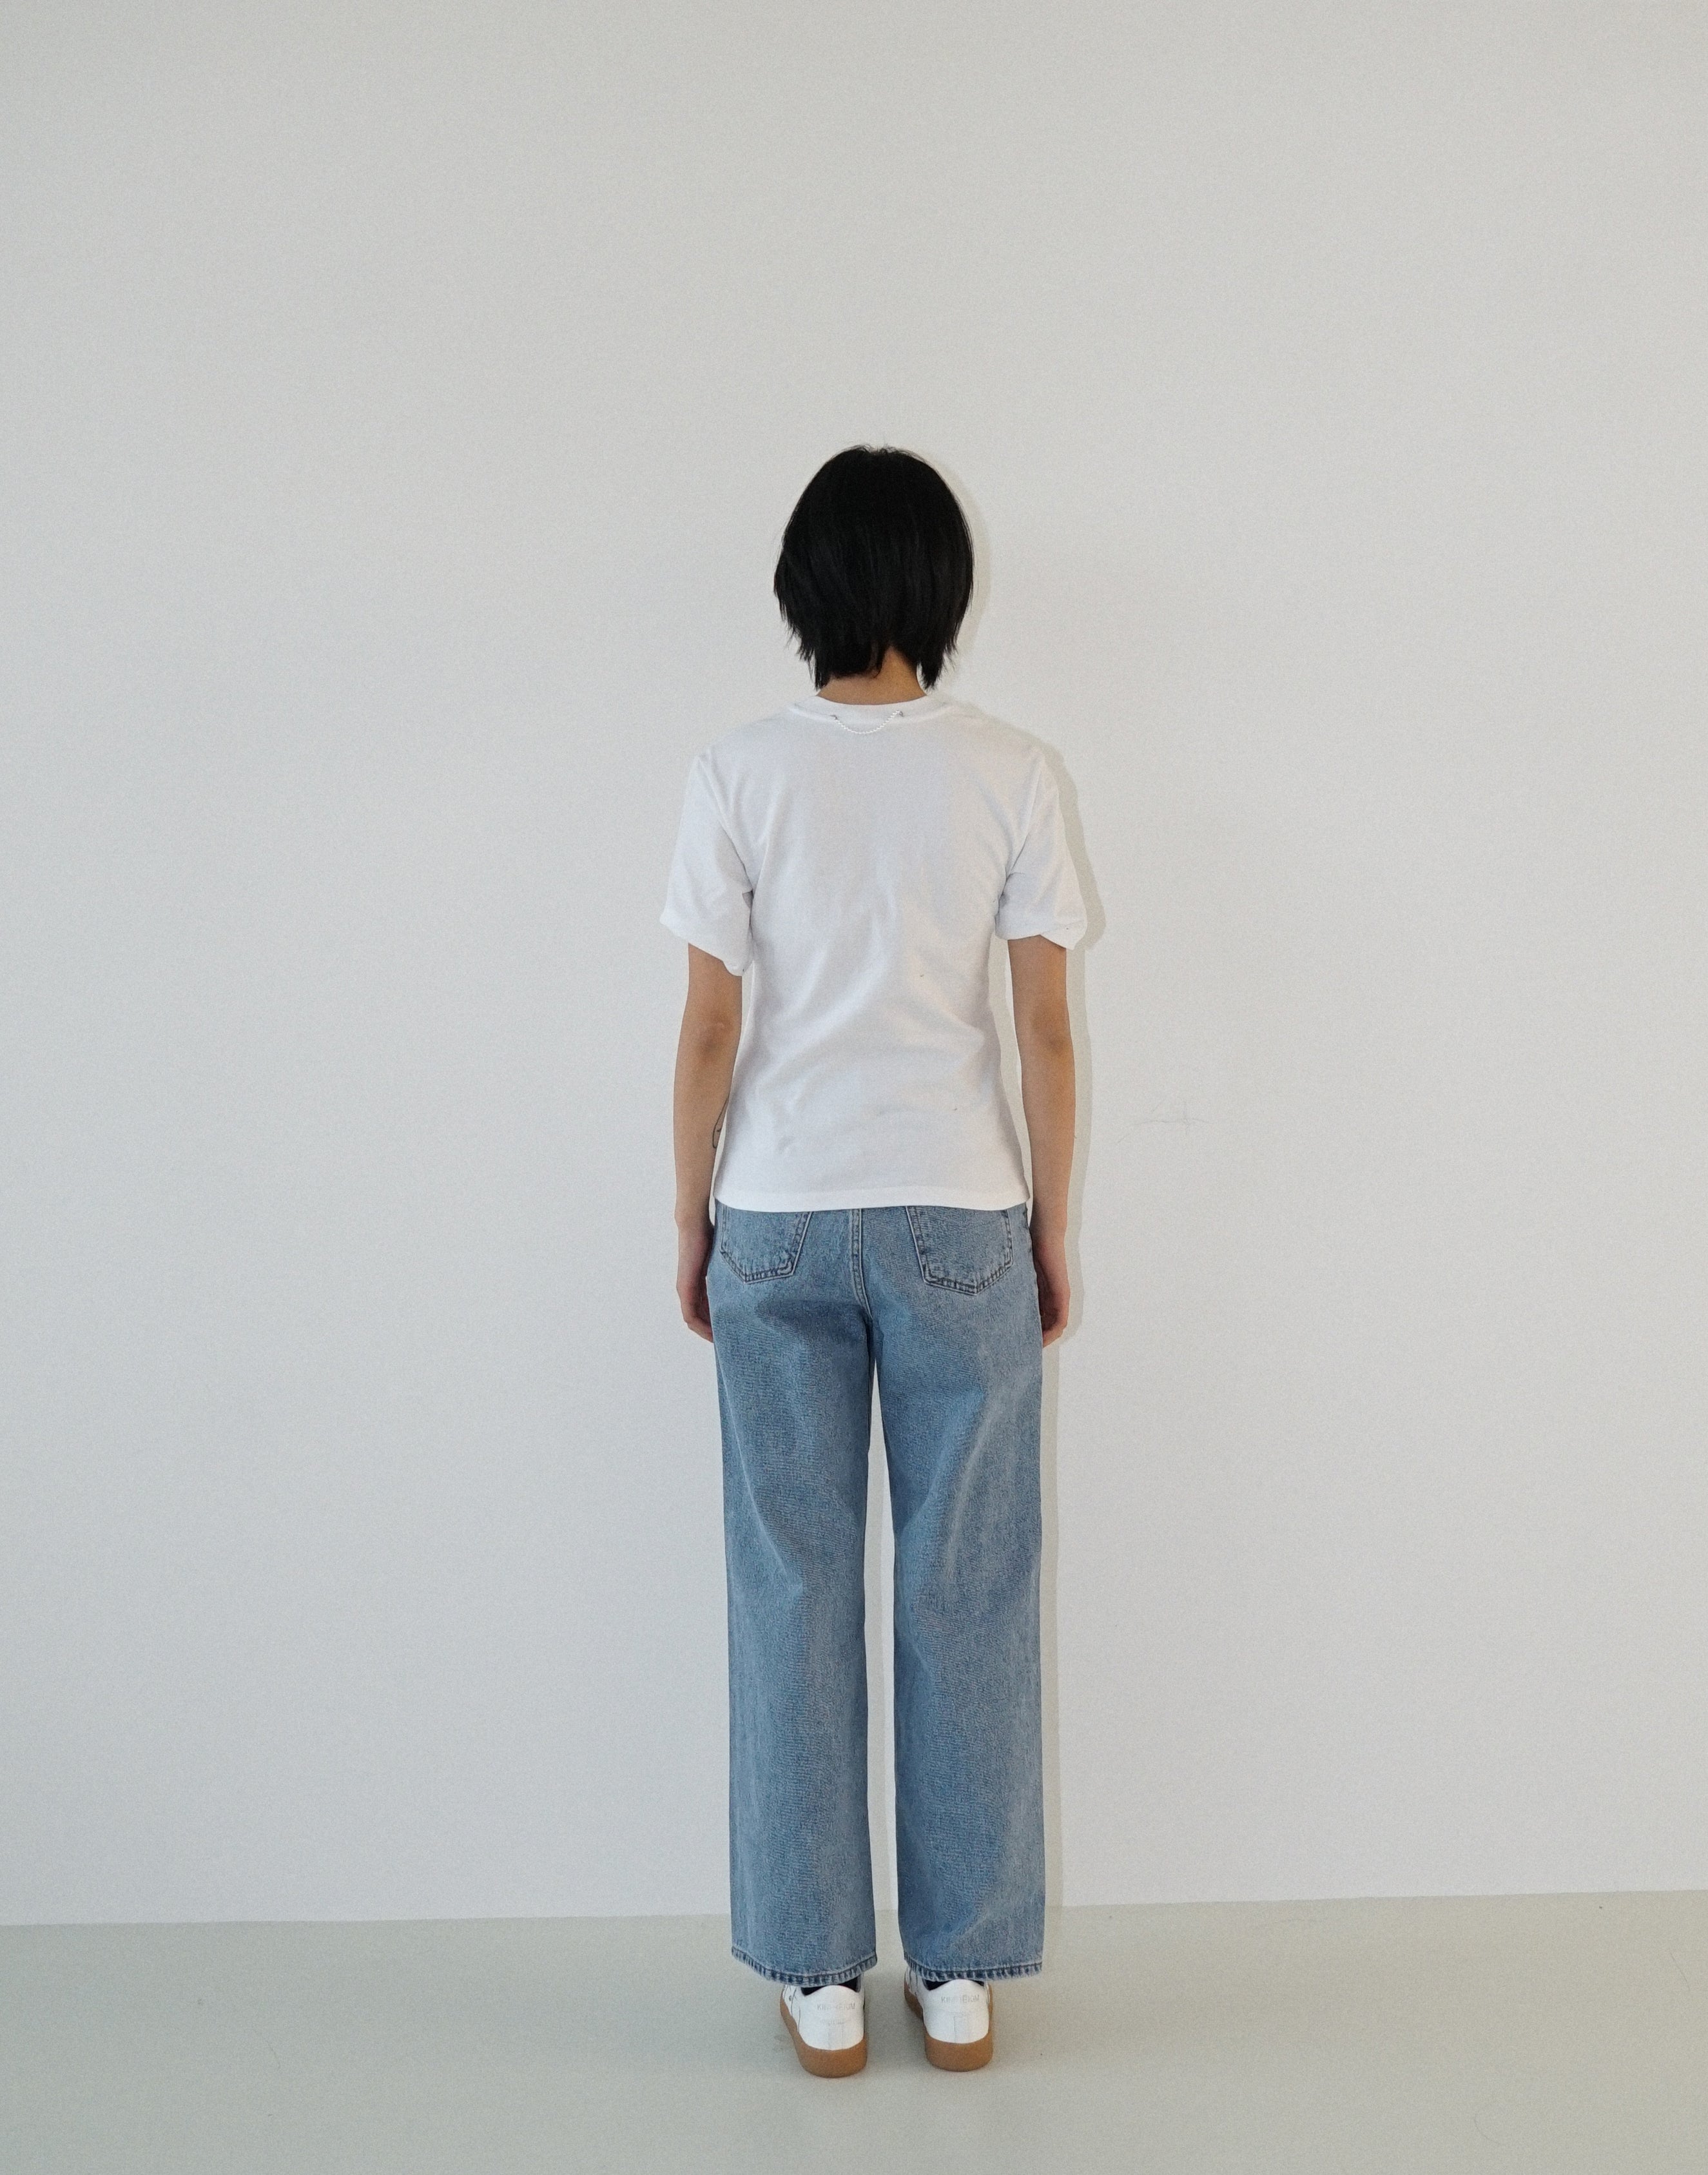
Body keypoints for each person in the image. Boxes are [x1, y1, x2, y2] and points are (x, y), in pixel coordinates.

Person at [660, 445, 1087, 2076]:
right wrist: (1051, 1226)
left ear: (806, 589)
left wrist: (689, 1214)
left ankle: (821, 1979)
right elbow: (1044, 1030)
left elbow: (712, 1030)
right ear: (940, 589)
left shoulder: (738, 772)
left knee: (791, 1584)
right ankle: (960, 1974)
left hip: (777, 1208)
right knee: (967, 1586)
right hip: (961, 1213)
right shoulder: (1013, 770)